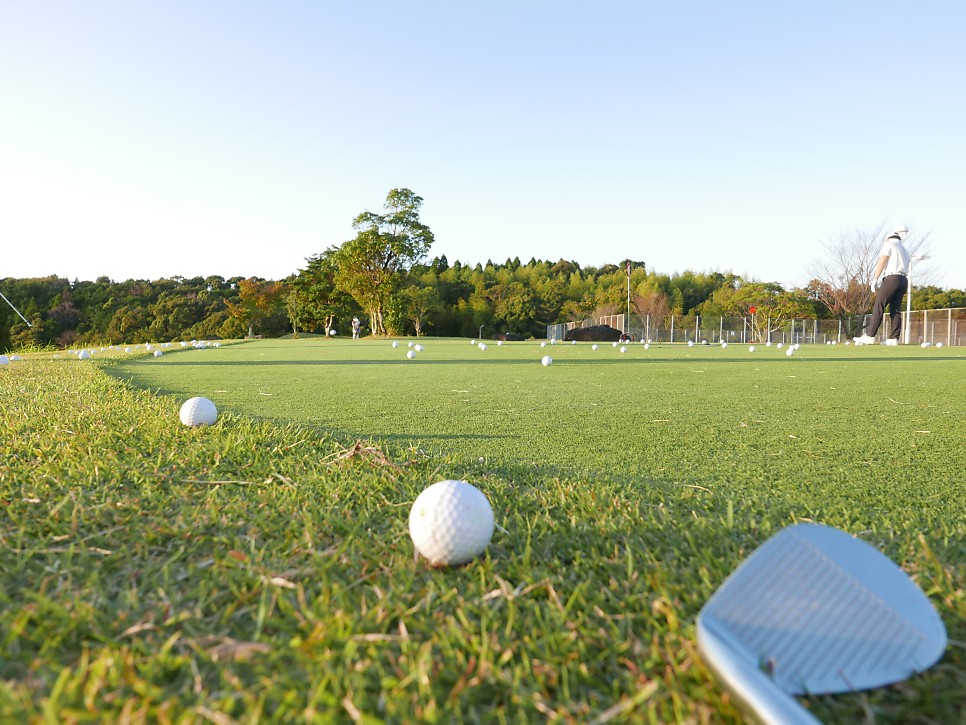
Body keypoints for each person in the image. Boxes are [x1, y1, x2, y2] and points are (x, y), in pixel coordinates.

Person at [854, 225, 911, 346]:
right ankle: (893, 338)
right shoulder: (905, 250)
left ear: (887, 238)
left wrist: (875, 279)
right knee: (895, 309)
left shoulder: (889, 244)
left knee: (879, 305)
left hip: (891, 278)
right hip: (903, 280)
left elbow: (882, 260)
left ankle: (870, 336)